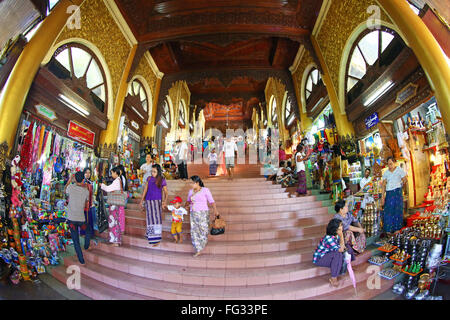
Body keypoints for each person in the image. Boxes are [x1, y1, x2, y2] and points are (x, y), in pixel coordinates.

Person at [185, 176, 219, 257]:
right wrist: (186, 206)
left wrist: (215, 210)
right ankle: (198, 249)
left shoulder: (205, 190)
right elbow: (187, 202)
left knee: (204, 230)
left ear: (197, 183)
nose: (190, 184)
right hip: (193, 213)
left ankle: (202, 244)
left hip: (203, 213)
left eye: (192, 183)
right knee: (194, 231)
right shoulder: (190, 192)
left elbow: (212, 201)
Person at [65, 171, 90, 264]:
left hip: (71, 219)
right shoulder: (86, 191)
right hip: (81, 219)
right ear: (83, 179)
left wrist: (70, 180)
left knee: (76, 240)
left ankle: (81, 259)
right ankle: (86, 245)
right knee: (88, 230)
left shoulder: (70, 187)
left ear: (75, 179)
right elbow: (87, 201)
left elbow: (65, 190)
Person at [140, 164, 168, 246]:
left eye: (154, 172)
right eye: (152, 171)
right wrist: (142, 200)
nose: (152, 173)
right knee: (149, 219)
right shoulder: (149, 179)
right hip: (149, 201)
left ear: (158, 172)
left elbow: (166, 192)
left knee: (157, 220)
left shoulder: (162, 180)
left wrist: (164, 202)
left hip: (157, 202)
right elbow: (145, 190)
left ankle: (157, 239)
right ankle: (151, 237)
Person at [313, 218, 346, 287]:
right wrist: (342, 235)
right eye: (340, 226)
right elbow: (341, 249)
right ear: (335, 228)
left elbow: (342, 247)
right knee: (338, 254)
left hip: (328, 256)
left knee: (340, 253)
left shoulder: (336, 236)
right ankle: (333, 278)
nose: (342, 227)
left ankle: (337, 271)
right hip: (320, 259)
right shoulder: (329, 238)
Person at [381, 156, 407, 234]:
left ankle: (397, 229)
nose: (390, 166)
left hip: (397, 192)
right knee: (388, 211)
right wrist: (383, 196)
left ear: (394, 163)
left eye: (391, 164)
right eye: (388, 164)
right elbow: (384, 185)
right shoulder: (386, 173)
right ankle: (389, 230)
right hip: (389, 193)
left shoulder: (400, 170)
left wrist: (401, 184)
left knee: (397, 210)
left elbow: (405, 179)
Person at [100, 167, 124, 247]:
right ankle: (115, 240)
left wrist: (101, 185)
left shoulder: (117, 181)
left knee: (114, 222)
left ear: (115, 173)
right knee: (115, 221)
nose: (111, 174)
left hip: (114, 204)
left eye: (112, 173)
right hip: (115, 204)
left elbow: (108, 189)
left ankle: (115, 241)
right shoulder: (118, 180)